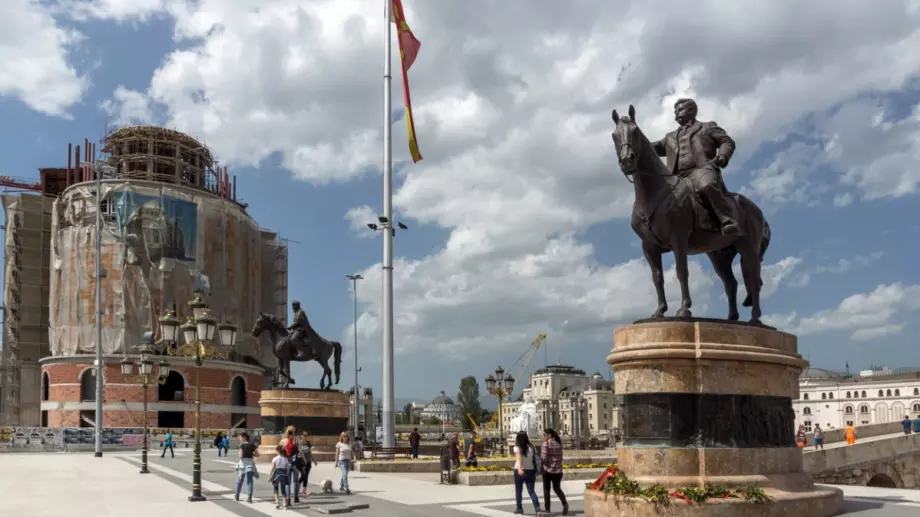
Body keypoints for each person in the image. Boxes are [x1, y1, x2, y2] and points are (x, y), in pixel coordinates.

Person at [651, 97, 740, 236]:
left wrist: (722, 156)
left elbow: (726, 141)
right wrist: (636, 140)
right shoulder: (670, 137)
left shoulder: (707, 127)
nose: (676, 115)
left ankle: (727, 219)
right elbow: (652, 148)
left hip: (701, 169)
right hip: (676, 176)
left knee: (707, 186)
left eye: (679, 110)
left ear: (691, 110)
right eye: (675, 111)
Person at [541, 428, 568, 515]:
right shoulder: (558, 443)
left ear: (549, 435)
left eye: (544, 435)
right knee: (557, 489)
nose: (543, 437)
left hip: (547, 471)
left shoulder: (546, 443)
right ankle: (565, 503)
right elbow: (561, 458)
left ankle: (547, 508)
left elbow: (544, 458)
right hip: (558, 471)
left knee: (546, 489)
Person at [513, 432, 541, 515]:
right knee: (531, 491)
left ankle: (519, 508)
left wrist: (520, 469)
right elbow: (536, 458)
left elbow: (519, 458)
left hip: (519, 471)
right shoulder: (531, 447)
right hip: (531, 470)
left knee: (518, 490)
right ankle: (537, 508)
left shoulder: (517, 447)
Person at [279, 426, 302, 504]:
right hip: (295, 462)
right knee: (296, 481)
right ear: (294, 431)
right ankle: (296, 498)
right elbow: (300, 451)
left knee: (287, 482)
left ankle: (288, 499)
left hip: (287, 463)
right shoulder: (297, 439)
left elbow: (280, 452)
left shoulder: (283, 441)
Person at [235, 432, 260, 503]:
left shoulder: (242, 445)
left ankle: (237, 495)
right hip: (250, 465)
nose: (240, 439)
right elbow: (257, 454)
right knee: (250, 481)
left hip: (243, 465)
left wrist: (241, 452)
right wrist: (251, 454)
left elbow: (241, 456)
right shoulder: (252, 445)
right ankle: (249, 497)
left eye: (240, 437)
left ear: (244, 437)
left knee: (240, 481)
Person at [269, 444, 291, 509]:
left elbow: (273, 468)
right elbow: (287, 469)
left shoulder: (275, 458)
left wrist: (270, 476)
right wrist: (286, 474)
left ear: (278, 451)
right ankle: (284, 503)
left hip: (277, 474)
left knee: (275, 488)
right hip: (283, 474)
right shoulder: (286, 459)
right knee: (283, 489)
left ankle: (277, 502)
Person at [298, 431, 318, 496]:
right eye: (304, 435)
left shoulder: (308, 443)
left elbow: (310, 452)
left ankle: (304, 490)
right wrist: (303, 460)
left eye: (306, 435)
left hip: (308, 461)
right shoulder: (299, 444)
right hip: (302, 462)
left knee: (306, 476)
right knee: (303, 475)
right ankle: (297, 486)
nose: (305, 437)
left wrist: (314, 460)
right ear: (301, 436)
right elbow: (299, 453)